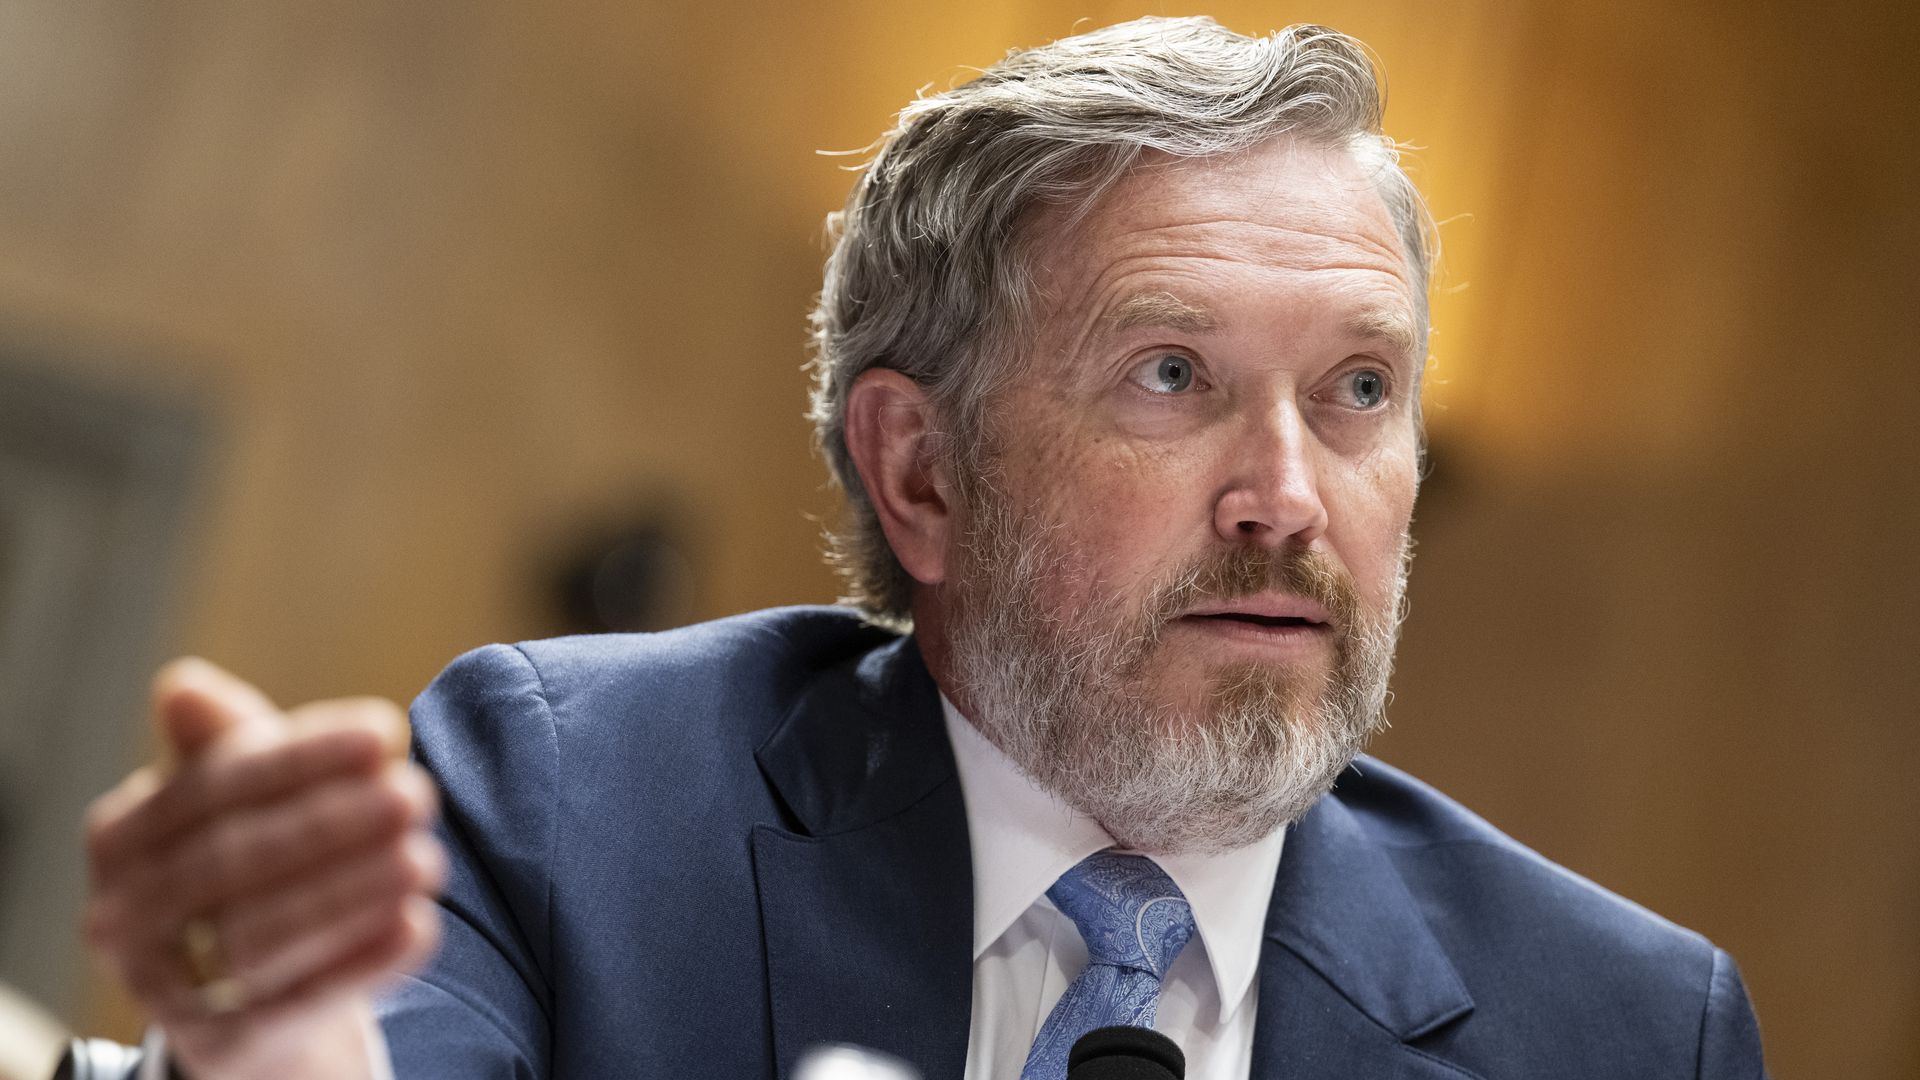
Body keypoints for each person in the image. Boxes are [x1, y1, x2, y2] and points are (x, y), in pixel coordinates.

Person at [80, 17, 1768, 1080]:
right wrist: (277, 1049)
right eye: (1172, 377)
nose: (1286, 496)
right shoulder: (573, 802)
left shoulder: (1627, 1024)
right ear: (923, 471)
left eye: (1357, 393)